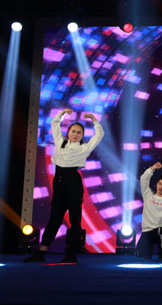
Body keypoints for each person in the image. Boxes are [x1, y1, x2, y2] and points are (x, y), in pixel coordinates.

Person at [25, 108, 104, 263]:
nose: (75, 134)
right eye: (73, 131)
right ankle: (41, 252)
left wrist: (94, 120)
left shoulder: (85, 147)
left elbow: (99, 135)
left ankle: (72, 253)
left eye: (79, 133)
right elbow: (55, 124)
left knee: (75, 220)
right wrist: (61, 114)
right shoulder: (60, 142)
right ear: (68, 132)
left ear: (82, 136)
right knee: (55, 218)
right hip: (59, 182)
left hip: (73, 183)